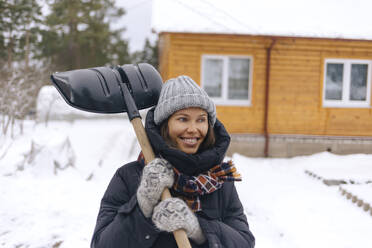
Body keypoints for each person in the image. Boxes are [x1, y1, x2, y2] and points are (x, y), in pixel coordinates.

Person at [91, 75, 255, 248]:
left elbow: (245, 242)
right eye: (183, 119)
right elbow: (101, 245)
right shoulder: (128, 177)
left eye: (201, 119)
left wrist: (201, 231)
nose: (193, 129)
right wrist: (142, 207)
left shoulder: (220, 181)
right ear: (165, 125)